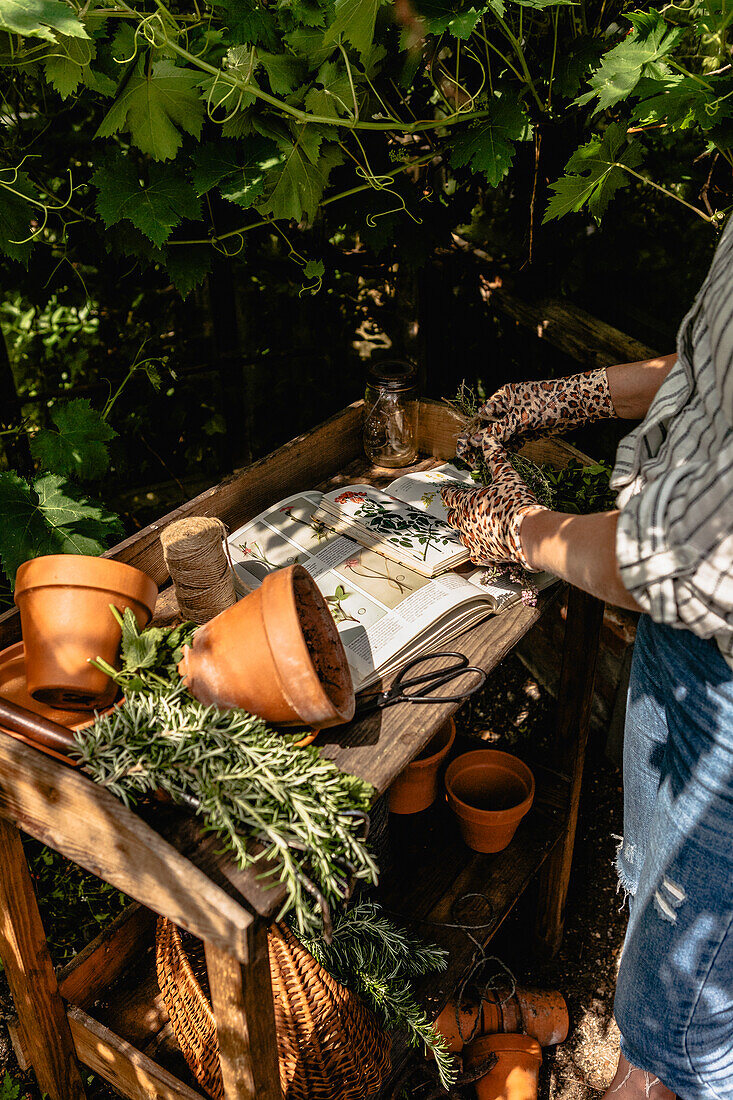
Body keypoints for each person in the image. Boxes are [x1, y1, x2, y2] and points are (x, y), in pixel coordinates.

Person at [441, 221, 733, 1100]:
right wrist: (579, 394)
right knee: (653, 888)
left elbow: (675, 557)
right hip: (691, 640)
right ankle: (643, 1068)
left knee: (697, 1010)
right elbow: (712, 382)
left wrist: (518, 529)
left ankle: (658, 1074)